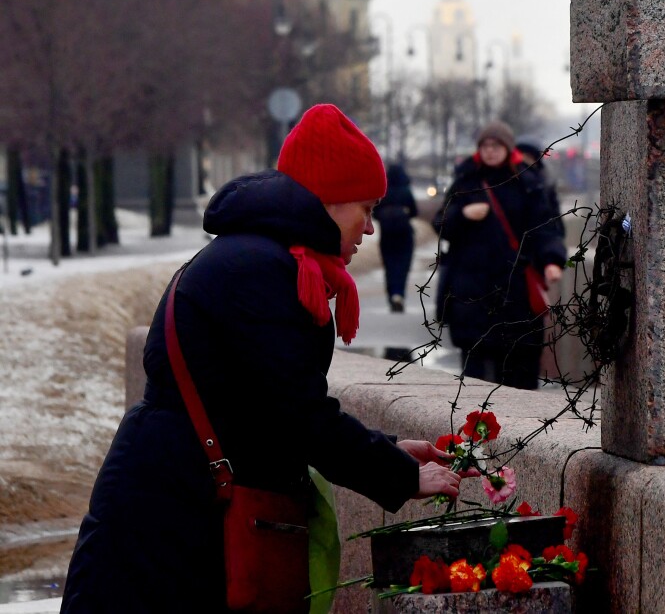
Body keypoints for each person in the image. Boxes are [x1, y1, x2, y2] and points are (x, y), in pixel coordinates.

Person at [61, 104, 465, 613]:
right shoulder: (263, 271)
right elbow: (298, 414)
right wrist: (398, 474)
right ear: (329, 199)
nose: (368, 227)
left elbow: (269, 407)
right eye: (364, 208)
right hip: (172, 519)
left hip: (172, 501)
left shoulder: (257, 257)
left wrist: (388, 450)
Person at [432, 120, 567, 390]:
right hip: (472, 289)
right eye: (485, 146)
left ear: (507, 148)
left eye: (496, 146)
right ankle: (474, 427)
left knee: (520, 369)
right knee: (474, 371)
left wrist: (552, 260)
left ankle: (520, 427)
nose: (490, 151)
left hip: (514, 287)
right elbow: (441, 223)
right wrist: (462, 215)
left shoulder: (526, 183)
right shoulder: (466, 181)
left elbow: (545, 228)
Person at [373, 162, 418, 313]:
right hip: (405, 235)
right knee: (402, 267)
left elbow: (375, 212)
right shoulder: (406, 191)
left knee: (389, 266)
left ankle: (392, 295)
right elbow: (414, 212)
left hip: (387, 235)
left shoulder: (383, 191)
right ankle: (400, 294)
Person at [516, 138, 566, 240]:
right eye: (522, 155)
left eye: (529, 156)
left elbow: (553, 213)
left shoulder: (544, 182)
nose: (524, 160)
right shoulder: (511, 180)